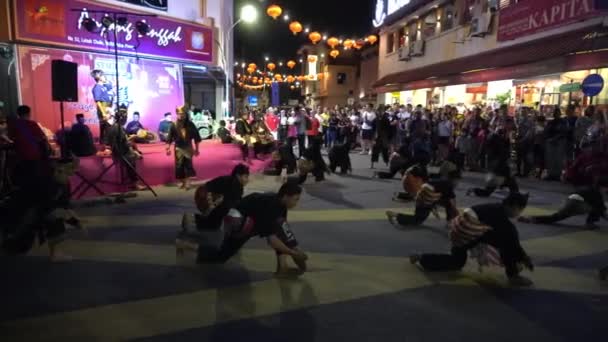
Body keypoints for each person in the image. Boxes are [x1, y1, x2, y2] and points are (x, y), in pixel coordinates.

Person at [409, 192, 535, 287]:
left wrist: (522, 257)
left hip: (458, 230)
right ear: (513, 206)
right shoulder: (501, 219)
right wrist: (524, 258)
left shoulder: (494, 208)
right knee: (507, 242)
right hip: (467, 231)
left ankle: (422, 257)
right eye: (520, 209)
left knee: (457, 261)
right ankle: (513, 275)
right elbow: (514, 243)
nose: (519, 213)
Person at [191, 182, 309, 276]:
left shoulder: (281, 206)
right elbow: (272, 240)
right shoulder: (272, 208)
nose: (296, 203)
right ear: (285, 196)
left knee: (279, 231)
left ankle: (282, 268)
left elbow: (284, 233)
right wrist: (293, 253)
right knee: (220, 257)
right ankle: (190, 245)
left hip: (248, 220)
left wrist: (296, 250)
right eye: (295, 199)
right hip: (238, 223)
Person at [386, 169, 460, 227]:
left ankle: (449, 221)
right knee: (418, 220)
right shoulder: (449, 185)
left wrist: (432, 207)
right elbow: (452, 203)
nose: (458, 183)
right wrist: (456, 216)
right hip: (426, 195)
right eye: (457, 181)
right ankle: (394, 214)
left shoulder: (443, 181)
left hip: (422, 193)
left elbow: (437, 196)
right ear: (454, 179)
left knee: (447, 203)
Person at [191, 164, 250, 233]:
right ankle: (200, 221)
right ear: (238, 176)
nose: (247, 180)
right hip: (204, 197)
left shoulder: (234, 183)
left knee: (225, 207)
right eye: (245, 177)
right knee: (226, 206)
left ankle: (203, 221)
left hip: (205, 197)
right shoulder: (233, 184)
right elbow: (234, 203)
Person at [519, 188, 607, 230]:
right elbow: (603, 212)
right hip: (578, 203)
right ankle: (589, 223)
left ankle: (530, 218)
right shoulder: (598, 194)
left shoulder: (589, 189)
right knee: (598, 207)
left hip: (569, 200)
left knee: (555, 217)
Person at [467, 127, 519, 197]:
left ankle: (473, 190)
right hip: (500, 170)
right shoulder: (498, 143)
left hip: (498, 170)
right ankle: (515, 197)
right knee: (512, 186)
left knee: (511, 186)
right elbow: (504, 153)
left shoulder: (495, 142)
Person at [106, 107, 145, 191]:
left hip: (119, 151)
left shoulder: (113, 127)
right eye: (125, 117)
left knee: (134, 154)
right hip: (120, 154)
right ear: (122, 118)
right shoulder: (118, 128)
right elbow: (124, 143)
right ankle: (135, 183)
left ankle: (133, 182)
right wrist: (132, 138)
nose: (126, 119)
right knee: (134, 158)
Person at [166, 106, 201, 190]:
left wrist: (197, 149)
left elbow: (196, 137)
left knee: (188, 164)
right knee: (179, 166)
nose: (180, 115)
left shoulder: (191, 124)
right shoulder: (173, 125)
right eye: (178, 114)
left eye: (182, 114)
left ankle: (188, 182)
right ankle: (183, 182)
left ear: (185, 114)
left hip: (188, 147)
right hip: (178, 147)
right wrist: (167, 148)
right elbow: (169, 138)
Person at [91, 70, 114, 140]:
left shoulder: (103, 86)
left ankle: (107, 142)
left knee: (108, 126)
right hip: (103, 107)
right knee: (105, 126)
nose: (105, 77)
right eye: (103, 76)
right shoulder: (97, 87)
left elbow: (110, 86)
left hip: (107, 107)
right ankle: (104, 143)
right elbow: (98, 101)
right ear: (99, 77)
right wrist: (103, 112)